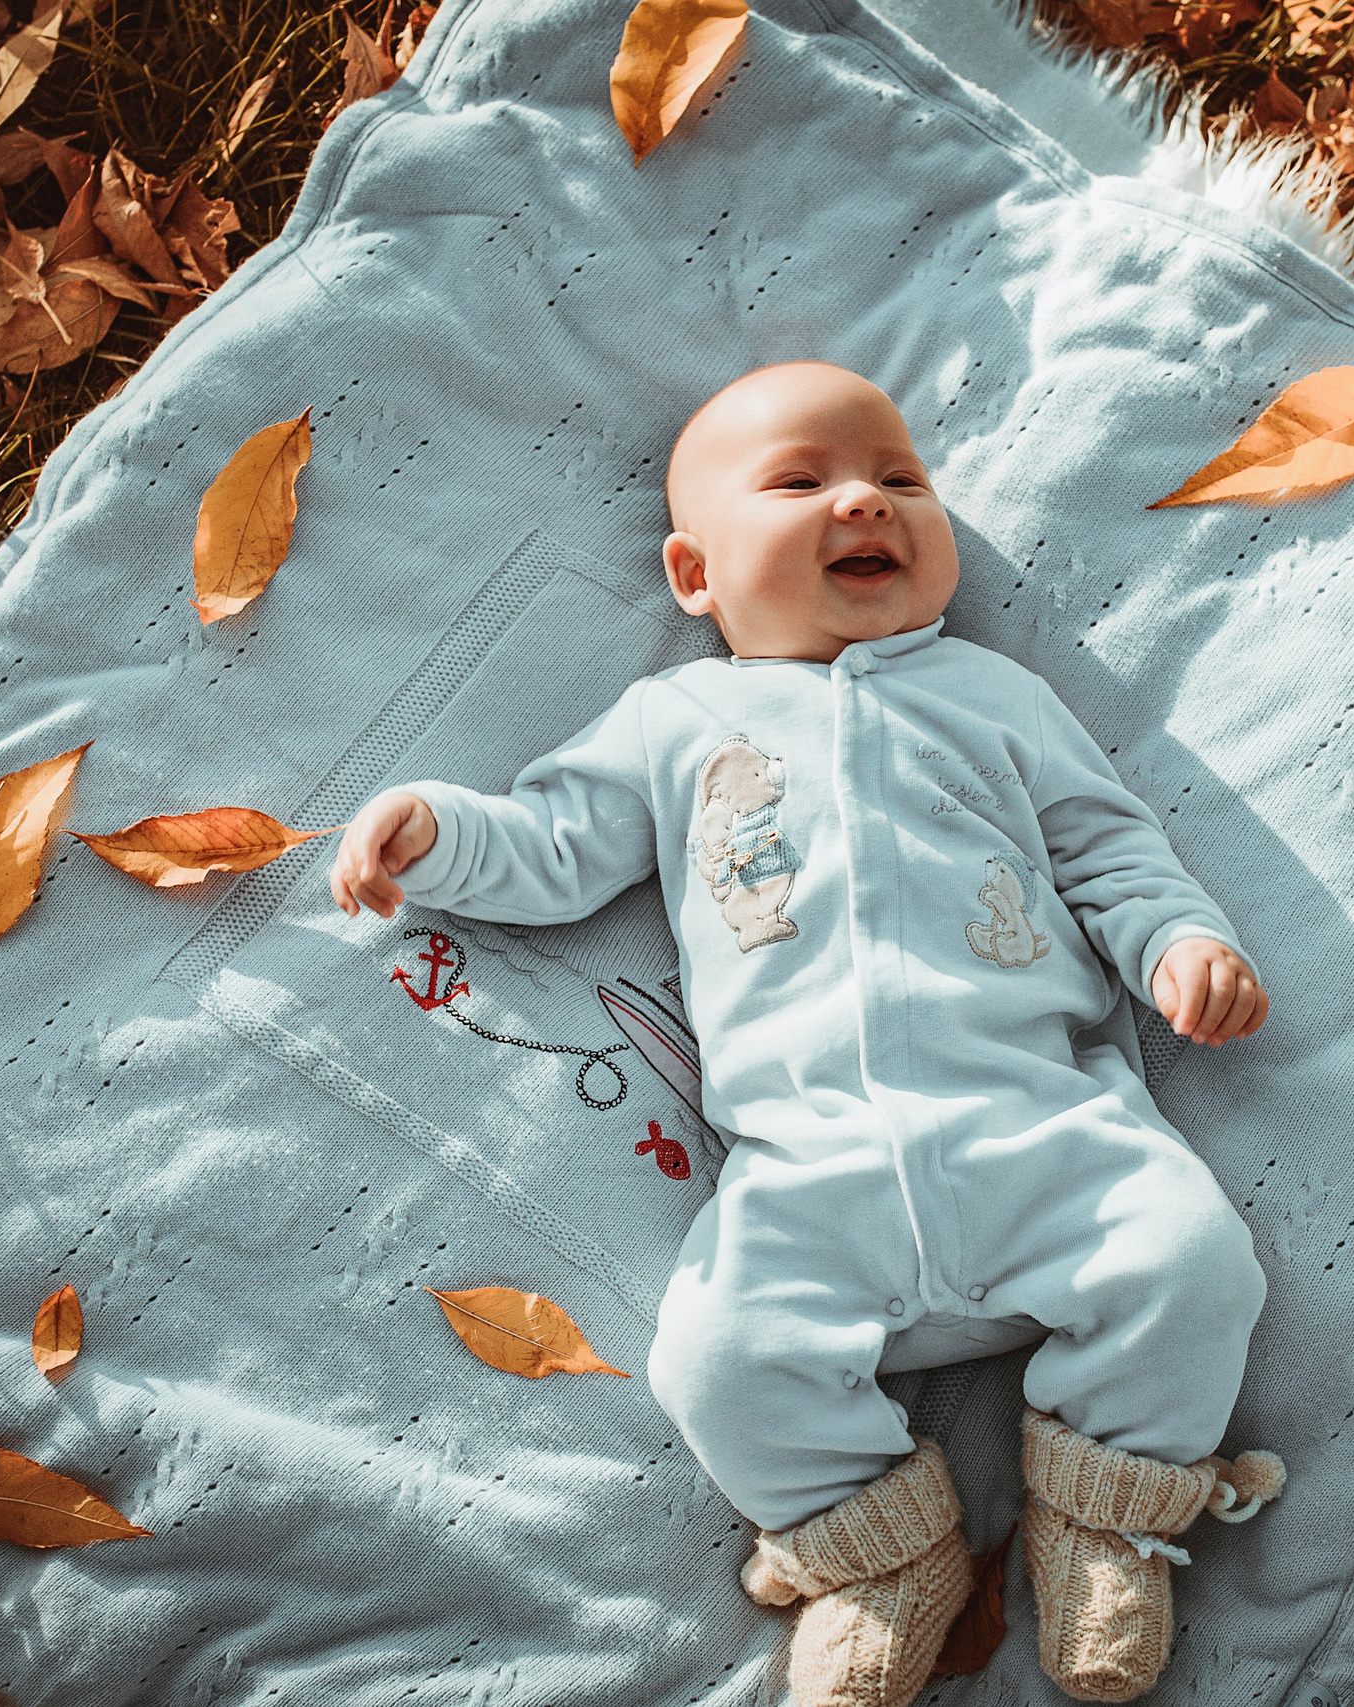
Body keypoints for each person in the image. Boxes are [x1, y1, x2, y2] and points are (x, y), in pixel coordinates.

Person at [331, 361, 1283, 1707]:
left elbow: (1110, 851)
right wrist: (431, 830)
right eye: (801, 482)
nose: (865, 502)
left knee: (1195, 1266)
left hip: (1047, 1125)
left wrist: (1182, 946)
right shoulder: (677, 723)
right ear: (695, 575)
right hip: (806, 1168)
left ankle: (1105, 1515)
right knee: (713, 1360)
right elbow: (552, 844)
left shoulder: (997, 698)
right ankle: (882, 1555)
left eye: (901, 480)